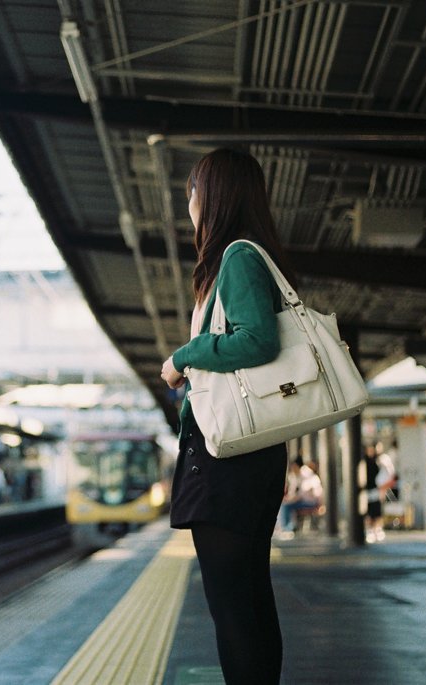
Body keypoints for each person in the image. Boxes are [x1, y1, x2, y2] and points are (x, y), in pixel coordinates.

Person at [160, 148, 296, 684]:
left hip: (230, 458)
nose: (188, 203)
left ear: (212, 197)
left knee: (235, 609)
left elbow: (257, 341)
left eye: (193, 191)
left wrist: (182, 358)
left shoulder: (238, 257)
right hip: (246, 458)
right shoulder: (251, 255)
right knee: (249, 604)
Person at [278, 457, 324, 537]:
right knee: (286, 505)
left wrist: (289, 500)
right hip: (303, 501)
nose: (293, 469)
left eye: (294, 467)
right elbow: (294, 493)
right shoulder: (295, 476)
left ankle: (287, 528)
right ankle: (289, 526)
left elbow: (301, 495)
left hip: (310, 502)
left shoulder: (307, 476)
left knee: (286, 506)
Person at [364, 442, 398, 543]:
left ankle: (377, 530)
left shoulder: (380, 460)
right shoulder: (366, 462)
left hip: (376, 488)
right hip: (369, 489)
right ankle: (371, 530)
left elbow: (389, 473)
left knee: (377, 510)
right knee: (369, 511)